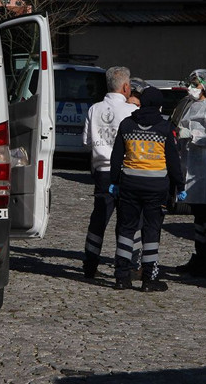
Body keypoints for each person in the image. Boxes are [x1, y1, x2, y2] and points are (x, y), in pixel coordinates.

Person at [110, 87, 184, 291]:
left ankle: (122, 277)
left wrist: (114, 181)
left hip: (130, 184)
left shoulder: (127, 124)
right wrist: (179, 185)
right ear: (159, 106)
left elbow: (116, 157)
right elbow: (173, 161)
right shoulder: (164, 127)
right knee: (151, 230)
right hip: (156, 187)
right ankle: (149, 280)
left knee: (126, 229)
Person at [82, 66, 139, 279]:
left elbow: (86, 142)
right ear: (125, 87)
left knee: (99, 219)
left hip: (102, 171)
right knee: (128, 221)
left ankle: (90, 263)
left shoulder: (94, 109)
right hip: (125, 171)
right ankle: (127, 265)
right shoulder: (131, 111)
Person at [174, 69, 206, 278]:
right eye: (190, 83)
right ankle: (199, 258)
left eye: (195, 84)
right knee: (198, 216)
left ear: (205, 86)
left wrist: (193, 135)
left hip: (205, 171)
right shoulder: (190, 105)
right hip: (190, 167)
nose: (191, 88)